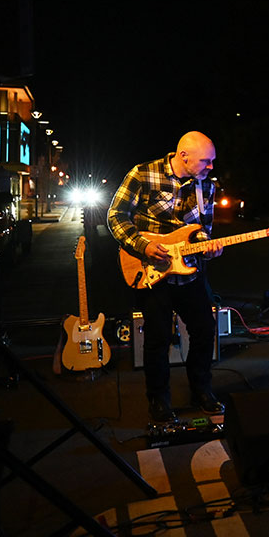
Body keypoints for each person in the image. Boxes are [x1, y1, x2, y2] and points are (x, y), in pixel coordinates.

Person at [108, 131, 225, 423]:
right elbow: (115, 215)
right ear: (183, 156)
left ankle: (202, 390)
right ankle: (159, 399)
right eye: (206, 161)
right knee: (158, 337)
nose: (211, 167)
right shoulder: (143, 174)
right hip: (152, 270)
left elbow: (202, 229)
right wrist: (143, 245)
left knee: (204, 329)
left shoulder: (206, 185)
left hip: (189, 272)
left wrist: (208, 246)